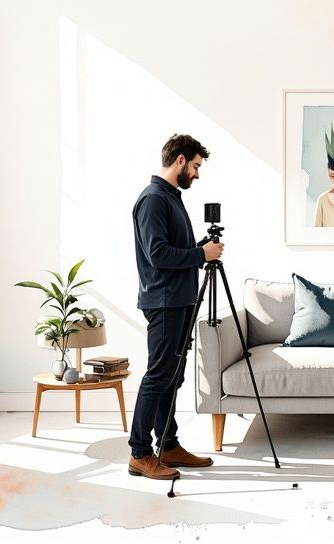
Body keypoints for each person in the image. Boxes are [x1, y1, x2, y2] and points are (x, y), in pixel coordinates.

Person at [128, 134, 224, 480]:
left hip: (179, 299)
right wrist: (201, 255)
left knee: (173, 376)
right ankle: (140, 453)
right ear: (180, 160)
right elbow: (157, 254)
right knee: (158, 376)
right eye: (196, 166)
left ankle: (167, 445)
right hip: (164, 301)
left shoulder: (171, 197)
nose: (197, 174)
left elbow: (172, 249)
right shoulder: (153, 200)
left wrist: (199, 248)